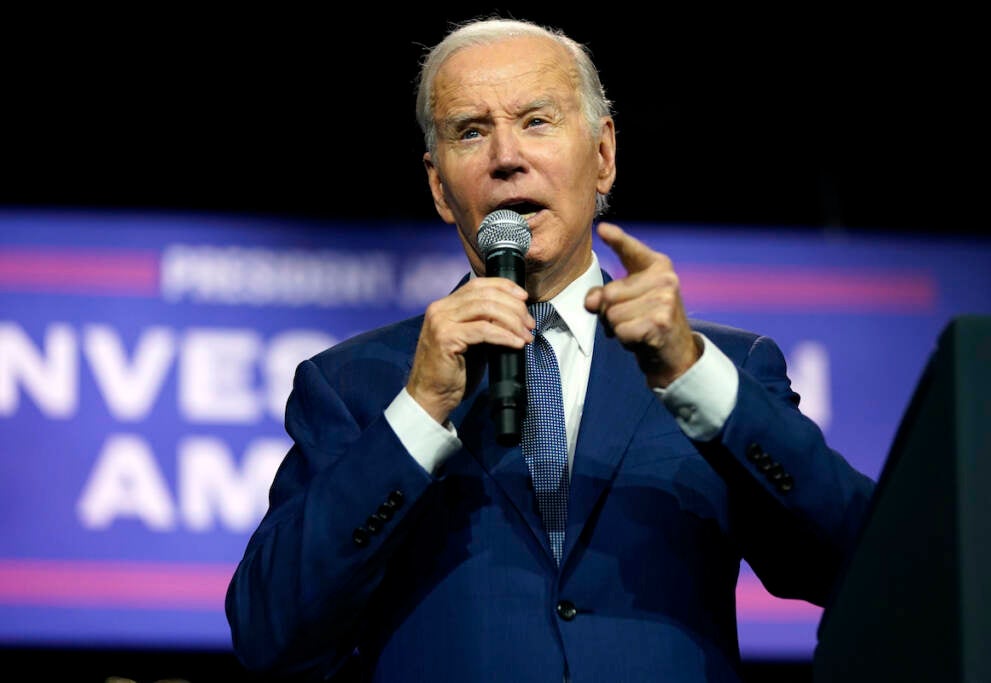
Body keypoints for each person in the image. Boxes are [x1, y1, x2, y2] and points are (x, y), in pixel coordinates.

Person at [225, 16, 876, 682]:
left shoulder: (722, 370)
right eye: (471, 131)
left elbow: (863, 564)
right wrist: (418, 414)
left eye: (537, 121)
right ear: (438, 186)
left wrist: (692, 375)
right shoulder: (355, 384)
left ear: (602, 156)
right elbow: (267, 632)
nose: (506, 156)